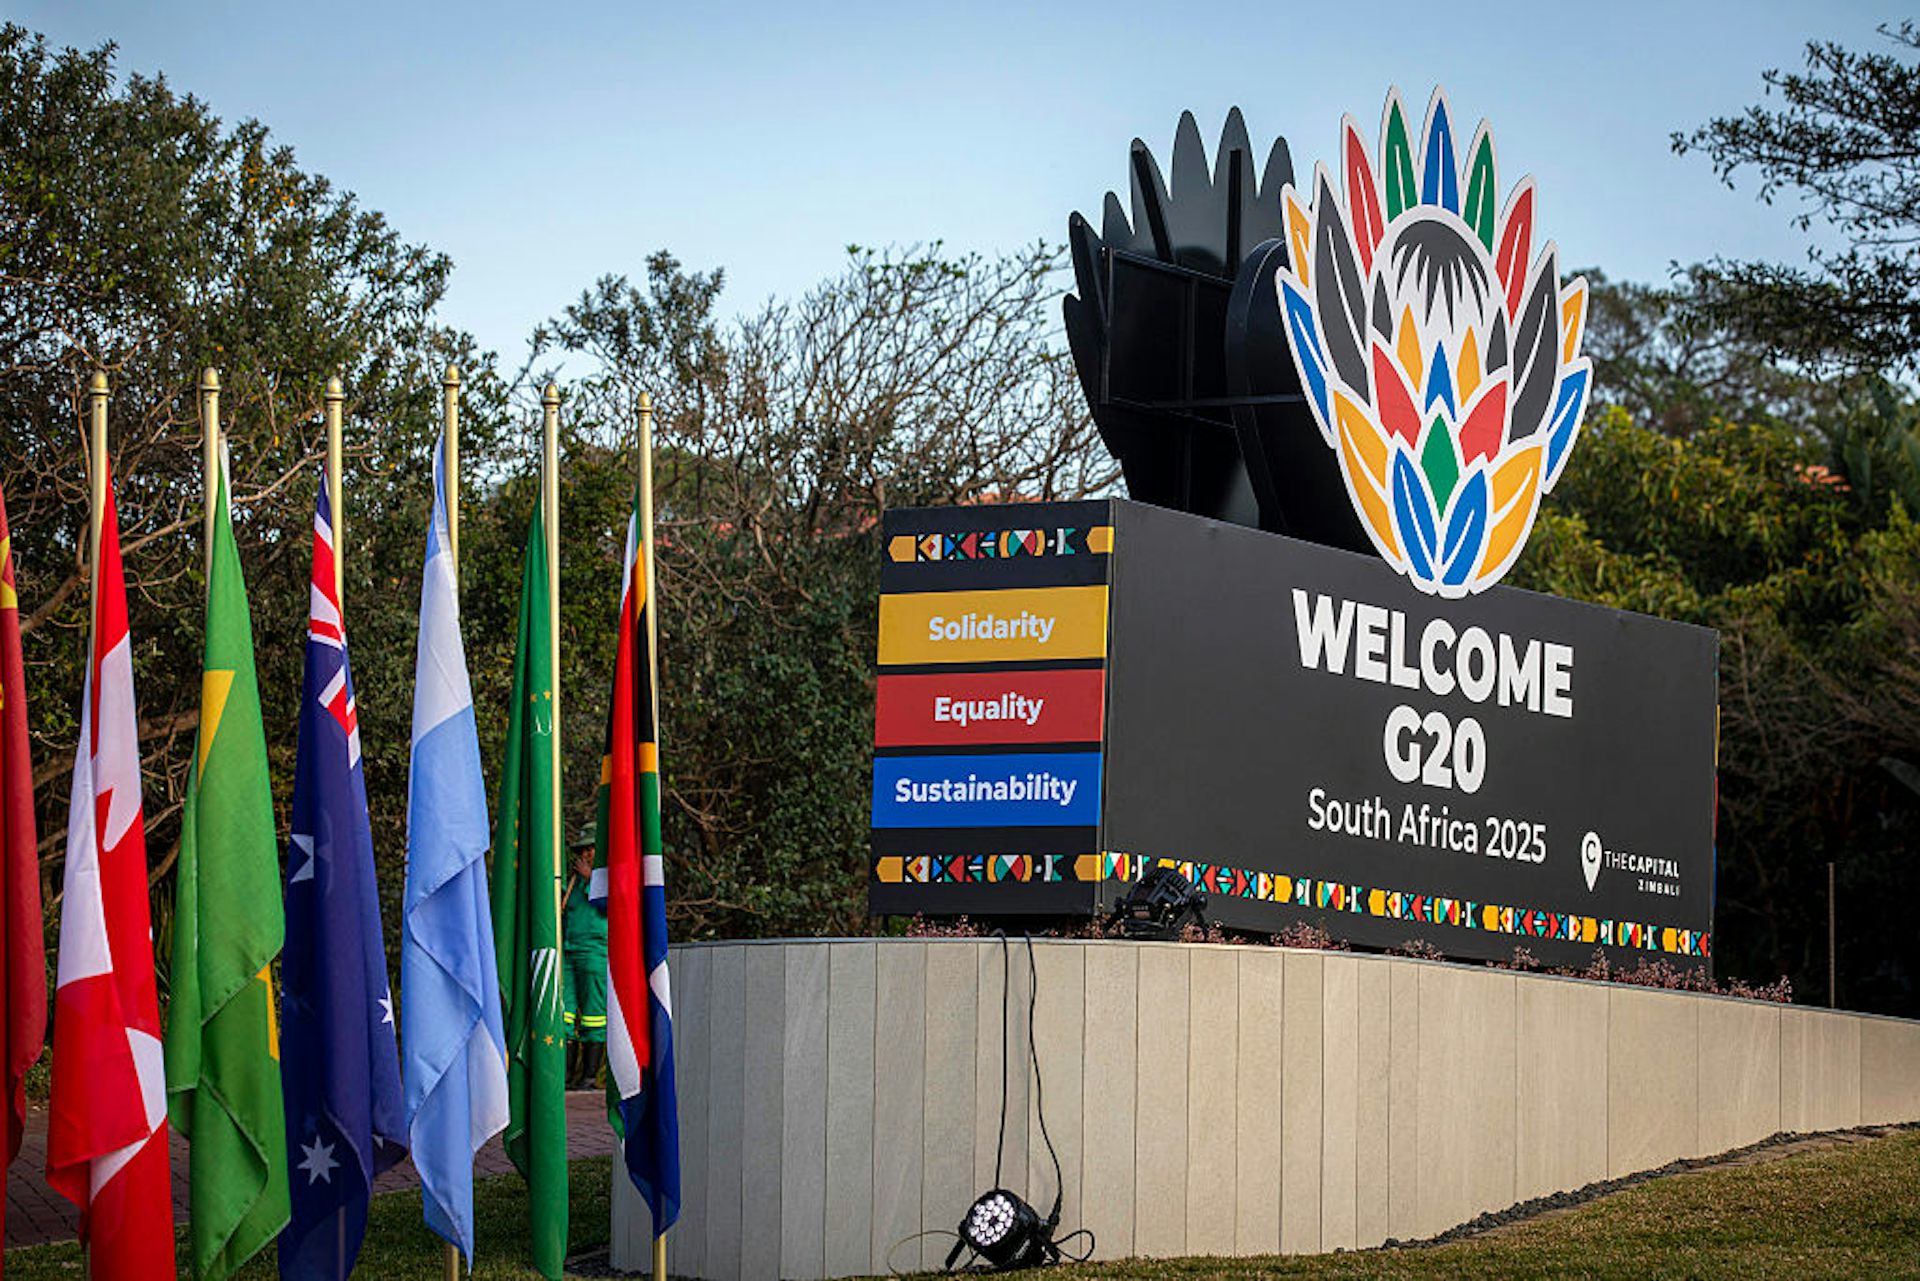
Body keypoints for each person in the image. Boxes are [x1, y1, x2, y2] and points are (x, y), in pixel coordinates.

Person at [562, 833, 607, 1089]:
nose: (587, 854)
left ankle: (589, 1076)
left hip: (594, 951)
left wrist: (592, 879)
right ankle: (567, 1075)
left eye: (593, 848)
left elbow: (614, 905)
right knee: (564, 1014)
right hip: (568, 951)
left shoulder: (608, 878)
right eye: (584, 849)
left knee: (593, 1015)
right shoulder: (571, 881)